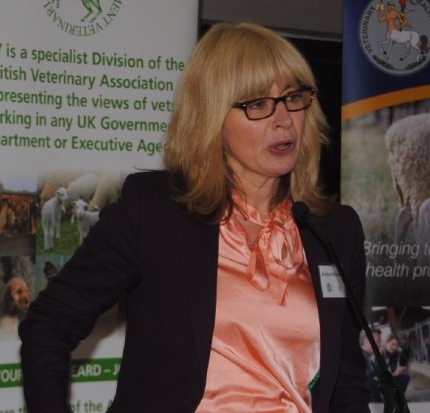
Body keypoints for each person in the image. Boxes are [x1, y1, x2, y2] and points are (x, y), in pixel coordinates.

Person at [19, 22, 369, 413]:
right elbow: (48, 324)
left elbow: (346, 380)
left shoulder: (336, 230)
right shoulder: (155, 213)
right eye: (257, 104)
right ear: (212, 118)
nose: (284, 119)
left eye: (293, 97)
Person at [360, 327, 383, 402]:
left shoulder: (371, 357)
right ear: (367, 340)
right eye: (378, 341)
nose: (380, 344)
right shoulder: (358, 358)